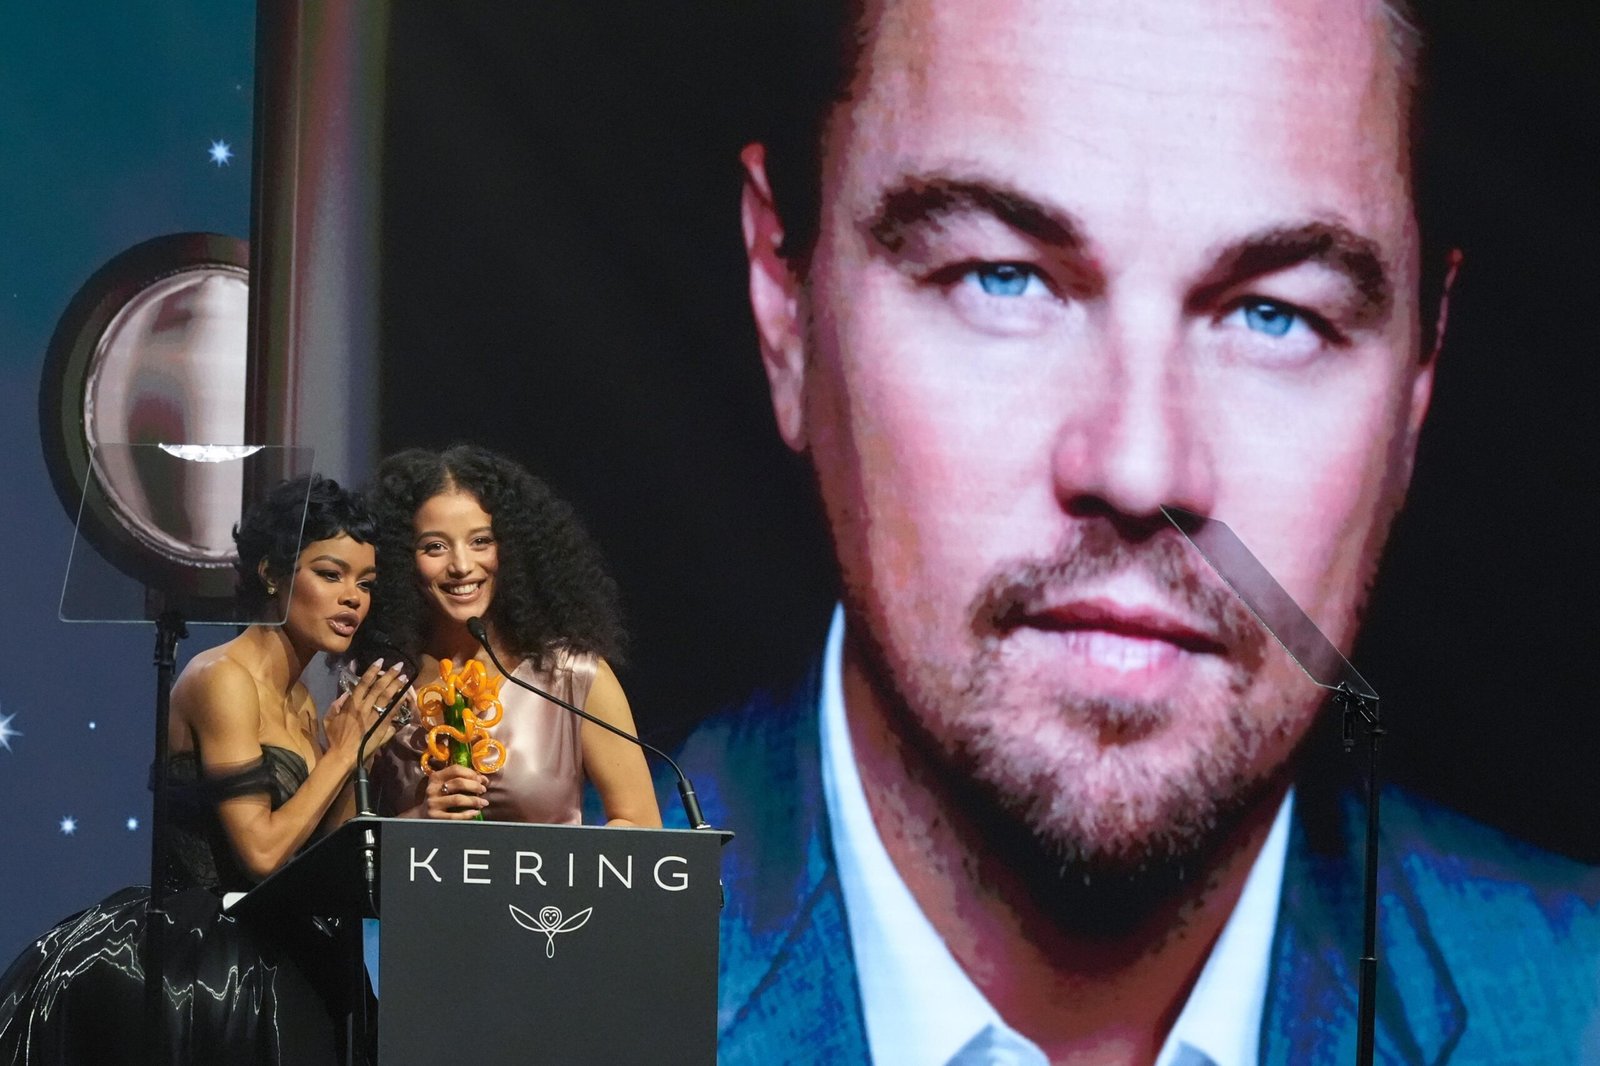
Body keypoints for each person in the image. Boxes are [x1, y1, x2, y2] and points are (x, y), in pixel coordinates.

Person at [664, 0, 1600, 1063]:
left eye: (1275, 314)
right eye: (1001, 277)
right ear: (784, 301)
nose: (1140, 467)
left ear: (1420, 373)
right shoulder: (515, 996)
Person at [0, 474, 409, 1064]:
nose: (353, 598)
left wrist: (359, 755)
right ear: (271, 574)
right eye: (331, 574)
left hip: (282, 948)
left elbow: (319, 856)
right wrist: (340, 756)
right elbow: (261, 855)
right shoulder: (222, 679)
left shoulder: (300, 700)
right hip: (204, 970)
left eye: (365, 583)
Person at [364, 444, 660, 828]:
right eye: (435, 547)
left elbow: (640, 826)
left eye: (481, 541)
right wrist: (419, 819)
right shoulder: (380, 684)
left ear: (513, 548)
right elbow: (347, 846)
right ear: (401, 558)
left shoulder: (574, 676)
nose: (462, 565)